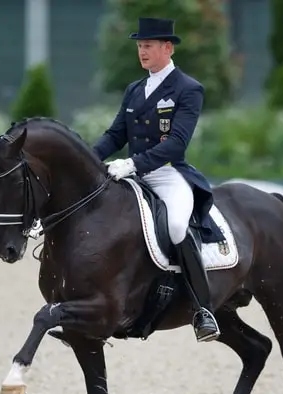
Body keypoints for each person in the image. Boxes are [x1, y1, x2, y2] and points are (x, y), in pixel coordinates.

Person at [92, 17, 220, 343]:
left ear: (167, 47)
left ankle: (203, 309)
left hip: (166, 174)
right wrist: (87, 160)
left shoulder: (188, 89)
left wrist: (133, 163)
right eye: (139, 46)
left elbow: (176, 143)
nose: (142, 52)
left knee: (177, 227)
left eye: (147, 46)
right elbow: (115, 134)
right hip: (131, 173)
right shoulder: (135, 89)